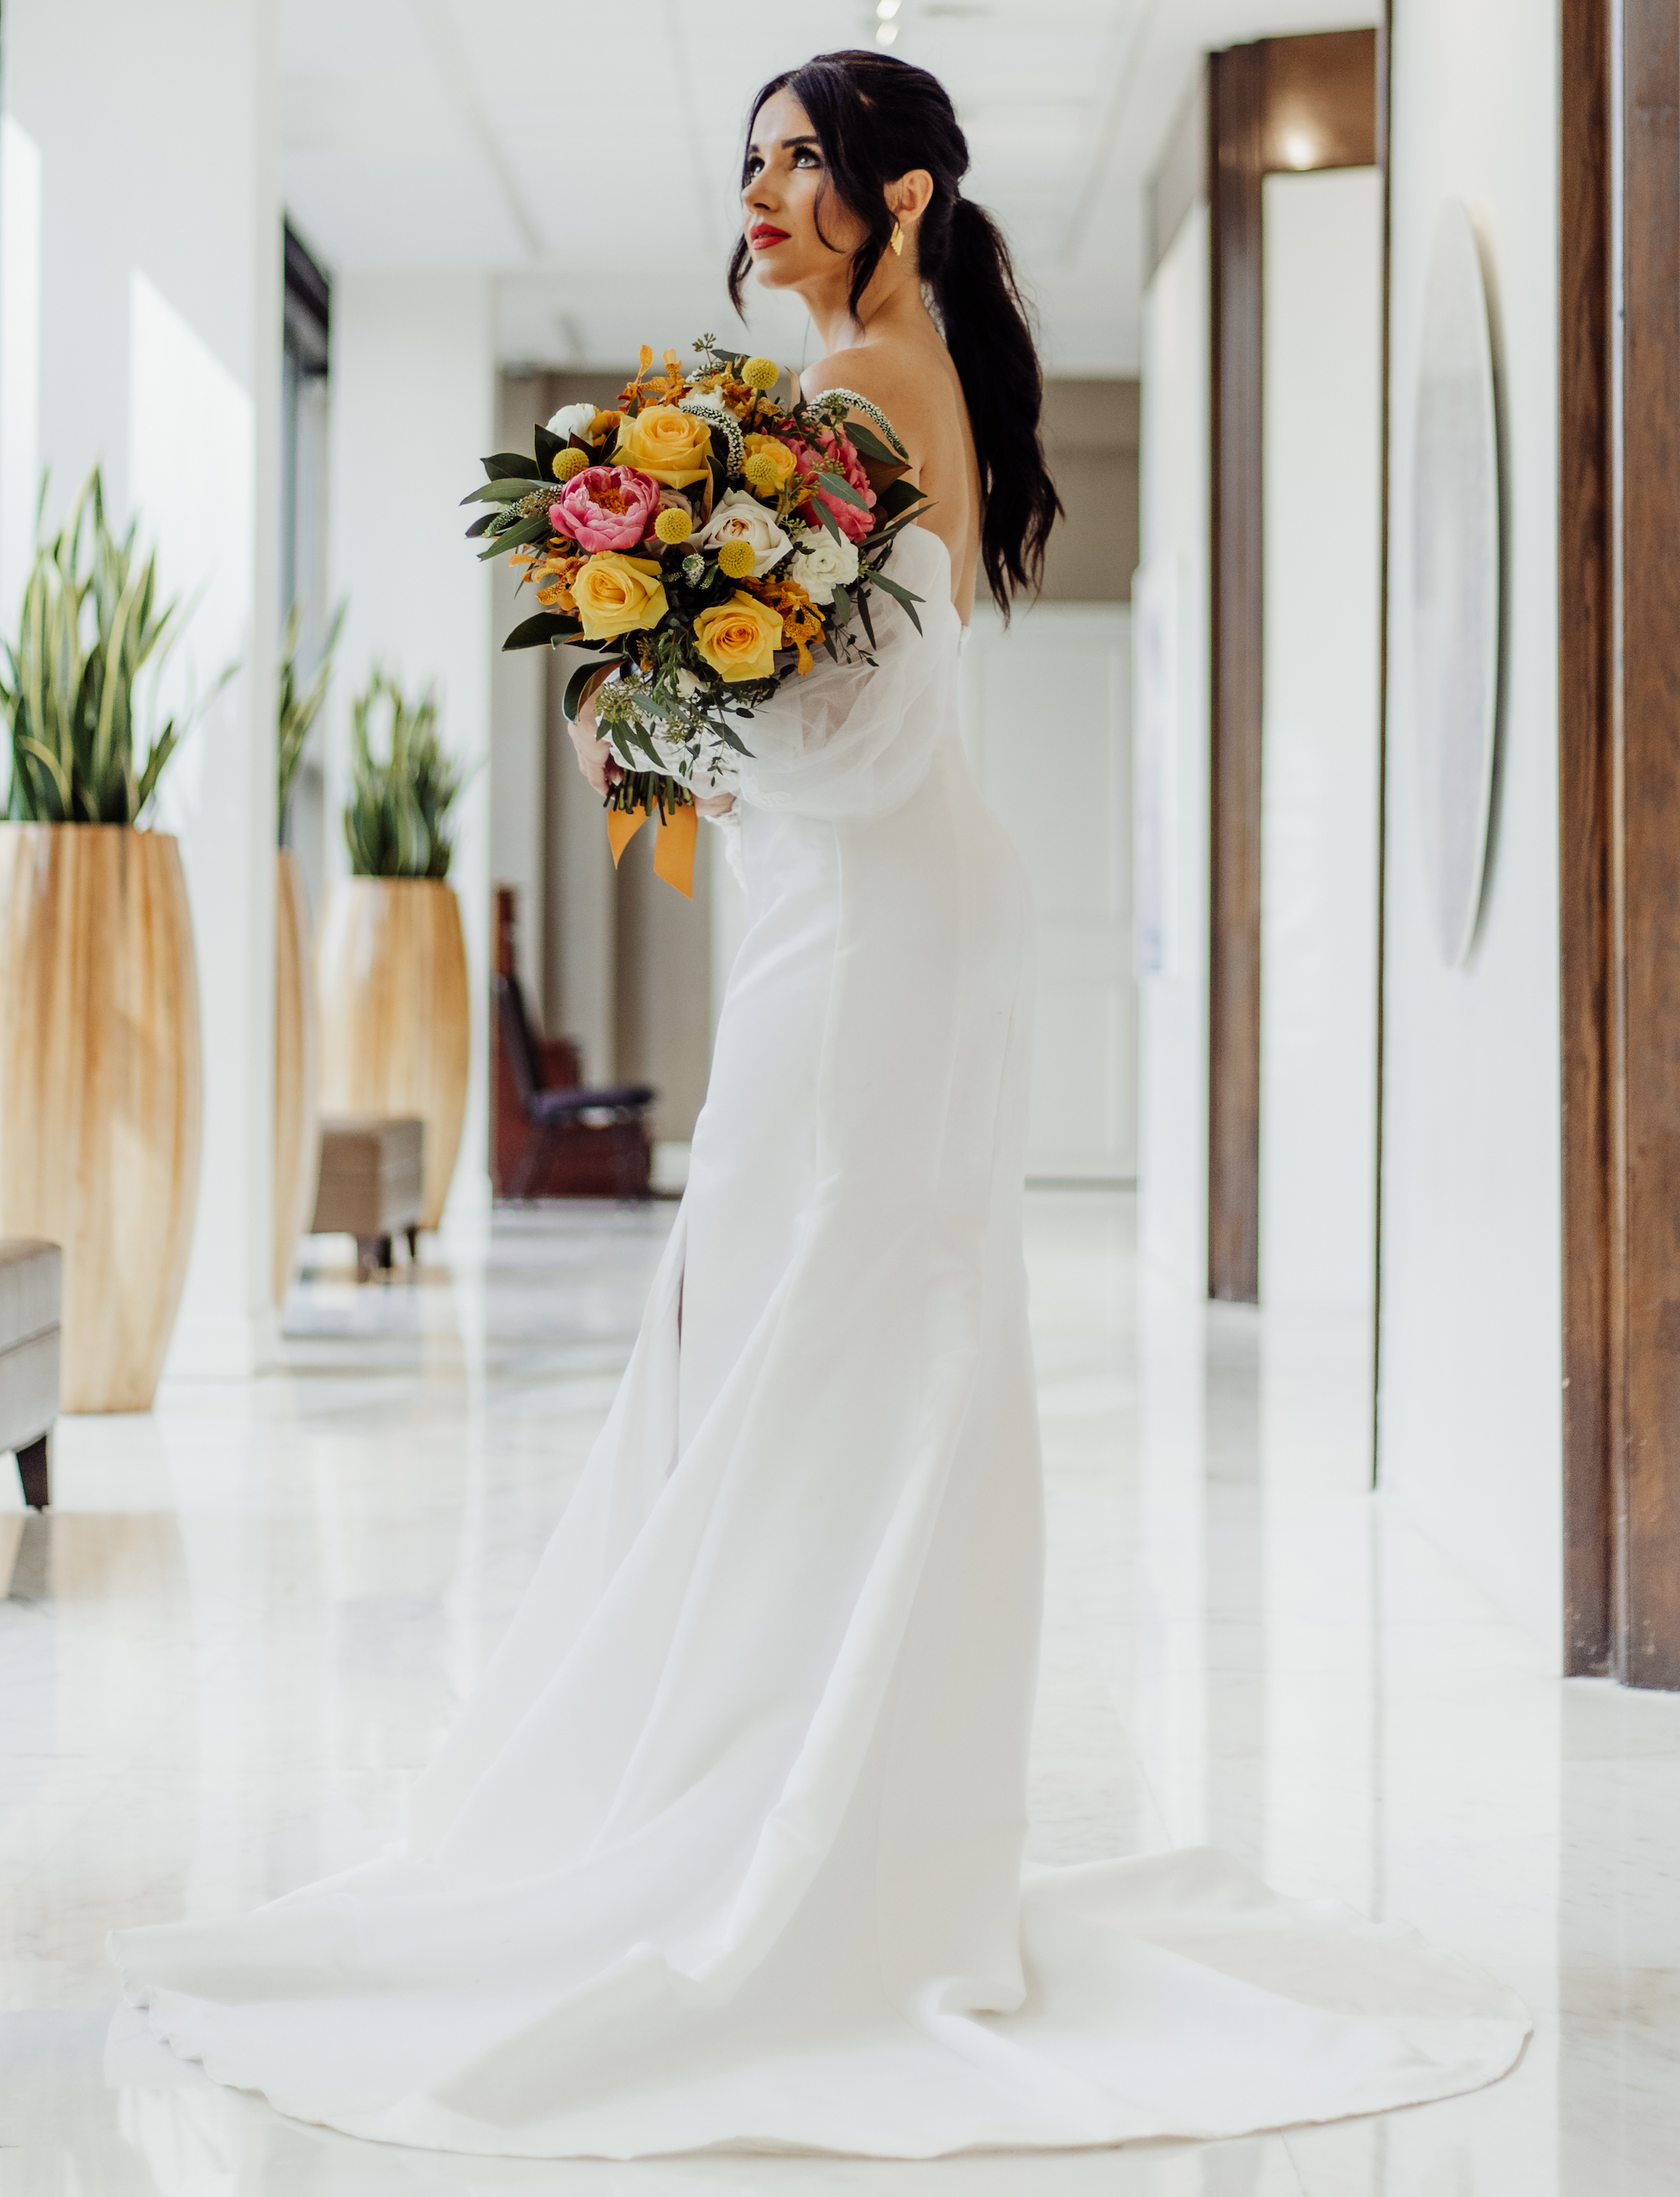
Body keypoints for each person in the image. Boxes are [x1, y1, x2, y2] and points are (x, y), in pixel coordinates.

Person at [110, 50, 1527, 2158]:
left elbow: (847, 750)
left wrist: (647, 703)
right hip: (865, 924)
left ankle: (787, 1826)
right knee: (807, 1334)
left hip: (871, 935)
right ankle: (802, 1790)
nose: (762, 190)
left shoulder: (868, 388)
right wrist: (686, 685)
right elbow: (848, 717)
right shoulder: (875, 367)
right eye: (750, 159)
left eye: (800, 160)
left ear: (902, 188)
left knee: (821, 1341)